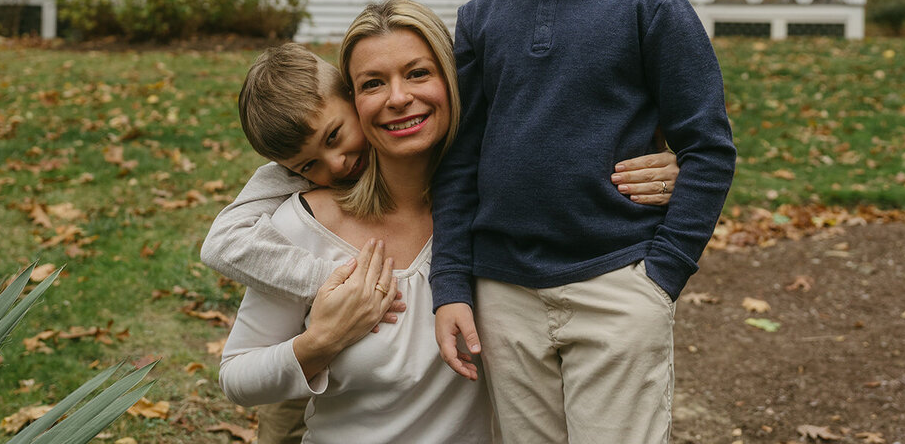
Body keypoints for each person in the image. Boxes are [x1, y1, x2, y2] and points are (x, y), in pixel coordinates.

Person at [430, 0, 738, 443]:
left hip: (617, 282)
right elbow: (459, 162)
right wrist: (453, 285)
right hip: (504, 292)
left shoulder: (653, 8)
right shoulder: (481, 20)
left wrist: (663, 275)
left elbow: (708, 148)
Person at [203, 44, 683, 442]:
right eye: (307, 166)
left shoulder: (494, 197)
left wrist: (661, 168)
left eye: (335, 136)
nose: (336, 164)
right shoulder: (297, 208)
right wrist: (322, 335)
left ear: (348, 96)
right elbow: (226, 244)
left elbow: (559, 146)